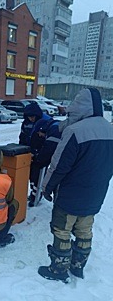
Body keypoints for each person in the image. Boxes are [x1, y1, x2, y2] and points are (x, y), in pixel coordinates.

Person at [39, 88, 113, 283]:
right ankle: (78, 266)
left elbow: (58, 165)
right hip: (95, 196)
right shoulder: (111, 130)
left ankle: (59, 269)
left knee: (61, 230)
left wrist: (46, 187)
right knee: (84, 230)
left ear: (80, 107)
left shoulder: (75, 131)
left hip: (70, 196)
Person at [28, 118, 61, 207]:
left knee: (40, 172)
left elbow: (48, 151)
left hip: (64, 162)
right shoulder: (55, 126)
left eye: (39, 133)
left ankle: (38, 197)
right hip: (63, 158)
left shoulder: (54, 131)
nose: (40, 135)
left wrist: (38, 159)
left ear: (42, 129)